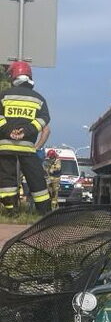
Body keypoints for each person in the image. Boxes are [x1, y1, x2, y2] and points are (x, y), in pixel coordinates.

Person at [0, 61, 52, 216]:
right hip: (27, 147)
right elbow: (44, 119)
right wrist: (26, 132)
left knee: (7, 179)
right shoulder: (38, 98)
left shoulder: (4, 95)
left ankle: (11, 211)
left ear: (13, 76)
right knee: (36, 179)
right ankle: (44, 213)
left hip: (6, 145)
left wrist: (9, 131)